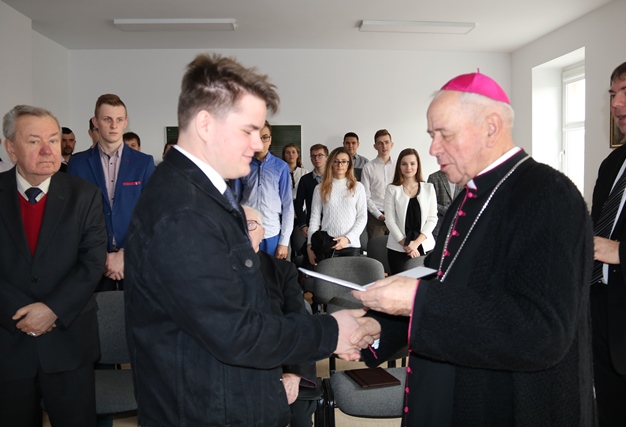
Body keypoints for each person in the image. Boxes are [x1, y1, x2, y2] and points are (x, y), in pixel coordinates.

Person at [123, 53, 364, 427]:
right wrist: (331, 332)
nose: (257, 143)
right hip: (203, 410)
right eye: (248, 130)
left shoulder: (201, 193)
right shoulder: (182, 210)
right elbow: (235, 332)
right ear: (206, 124)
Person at [351, 71, 595, 426]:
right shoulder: (468, 197)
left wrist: (417, 301)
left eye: (444, 134)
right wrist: (380, 327)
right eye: (431, 135)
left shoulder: (549, 195)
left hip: (506, 402)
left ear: (491, 128)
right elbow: (443, 284)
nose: (433, 149)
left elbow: (542, 331)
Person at [0, 105, 106, 427]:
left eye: (53, 140)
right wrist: (18, 312)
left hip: (68, 341)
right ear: (10, 148)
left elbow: (92, 262)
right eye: (34, 141)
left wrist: (52, 310)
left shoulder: (84, 195)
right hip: (8, 341)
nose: (48, 150)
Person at [591, 57, 626, 427]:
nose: (616, 104)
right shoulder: (613, 162)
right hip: (600, 318)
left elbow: (611, 246)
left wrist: (620, 251)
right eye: (612, 95)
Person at [68, 94, 155, 291]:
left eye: (119, 119)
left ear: (126, 122)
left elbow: (150, 215)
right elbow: (74, 217)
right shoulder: (77, 164)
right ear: (95, 122)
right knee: (98, 311)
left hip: (134, 258)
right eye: (107, 119)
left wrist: (125, 253)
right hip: (92, 261)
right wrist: (101, 257)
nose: (114, 125)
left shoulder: (144, 163)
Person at [243, 205, 319, 427]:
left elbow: (299, 324)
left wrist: (294, 374)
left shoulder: (282, 271)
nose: (242, 231)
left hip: (280, 363)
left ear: (263, 232)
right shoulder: (209, 272)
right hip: (231, 367)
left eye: (250, 225)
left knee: (297, 415)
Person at [233, 120, 294, 259]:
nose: (261, 141)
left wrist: (284, 242)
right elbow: (235, 201)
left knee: (271, 271)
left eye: (265, 137)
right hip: (247, 231)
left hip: (271, 232)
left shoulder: (281, 167)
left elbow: (288, 205)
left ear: (270, 140)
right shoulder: (241, 164)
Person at [306, 147, 366, 266]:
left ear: (349, 164)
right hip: (326, 245)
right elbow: (314, 219)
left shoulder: (358, 187)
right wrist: (310, 245)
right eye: (336, 161)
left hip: (351, 245)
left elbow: (362, 217)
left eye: (344, 161)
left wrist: (347, 238)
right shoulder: (320, 188)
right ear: (330, 163)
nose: (340, 165)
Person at [384, 148, 437, 274]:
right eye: (404, 164)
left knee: (424, 284)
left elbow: (432, 219)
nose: (408, 167)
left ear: (418, 165)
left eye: (412, 163)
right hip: (398, 248)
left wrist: (416, 244)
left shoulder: (428, 188)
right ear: (399, 166)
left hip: (425, 246)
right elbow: (390, 220)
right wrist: (407, 245)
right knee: (400, 284)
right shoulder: (391, 189)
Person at [361, 129, 394, 238]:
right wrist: (378, 215)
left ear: (392, 144)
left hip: (396, 216)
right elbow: (365, 196)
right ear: (375, 146)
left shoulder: (399, 166)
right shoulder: (368, 167)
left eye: (386, 142)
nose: (384, 146)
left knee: (397, 247)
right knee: (376, 247)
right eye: (380, 143)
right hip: (375, 217)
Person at [294, 143, 328, 239]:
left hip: (331, 223)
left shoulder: (334, 178)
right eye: (313, 156)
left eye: (320, 155)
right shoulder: (305, 179)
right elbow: (298, 204)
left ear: (327, 157)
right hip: (312, 224)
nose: (316, 158)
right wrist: (302, 224)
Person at [427, 170, 463, 239]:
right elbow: (429, 202)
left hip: (458, 227)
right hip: (439, 227)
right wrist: (446, 210)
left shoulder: (464, 177)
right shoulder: (434, 177)